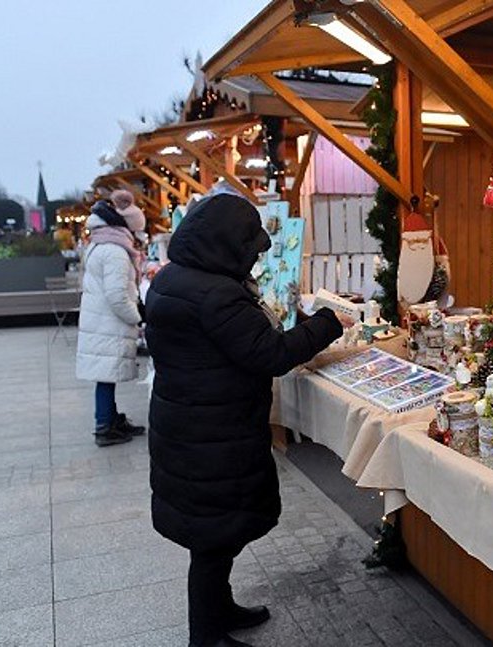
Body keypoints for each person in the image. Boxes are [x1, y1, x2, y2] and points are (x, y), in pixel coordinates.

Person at [144, 192, 349, 647]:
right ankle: (207, 635)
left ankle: (221, 609)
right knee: (213, 542)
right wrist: (326, 324)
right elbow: (271, 354)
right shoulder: (217, 295)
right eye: (251, 250)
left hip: (188, 425)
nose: (255, 259)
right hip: (213, 433)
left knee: (214, 538)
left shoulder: (173, 279)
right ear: (227, 245)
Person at [75, 200, 147, 447]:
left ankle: (110, 418)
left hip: (101, 321)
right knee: (106, 374)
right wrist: (138, 317)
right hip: (108, 323)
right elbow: (117, 295)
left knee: (106, 375)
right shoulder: (114, 251)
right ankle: (104, 426)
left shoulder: (100, 245)